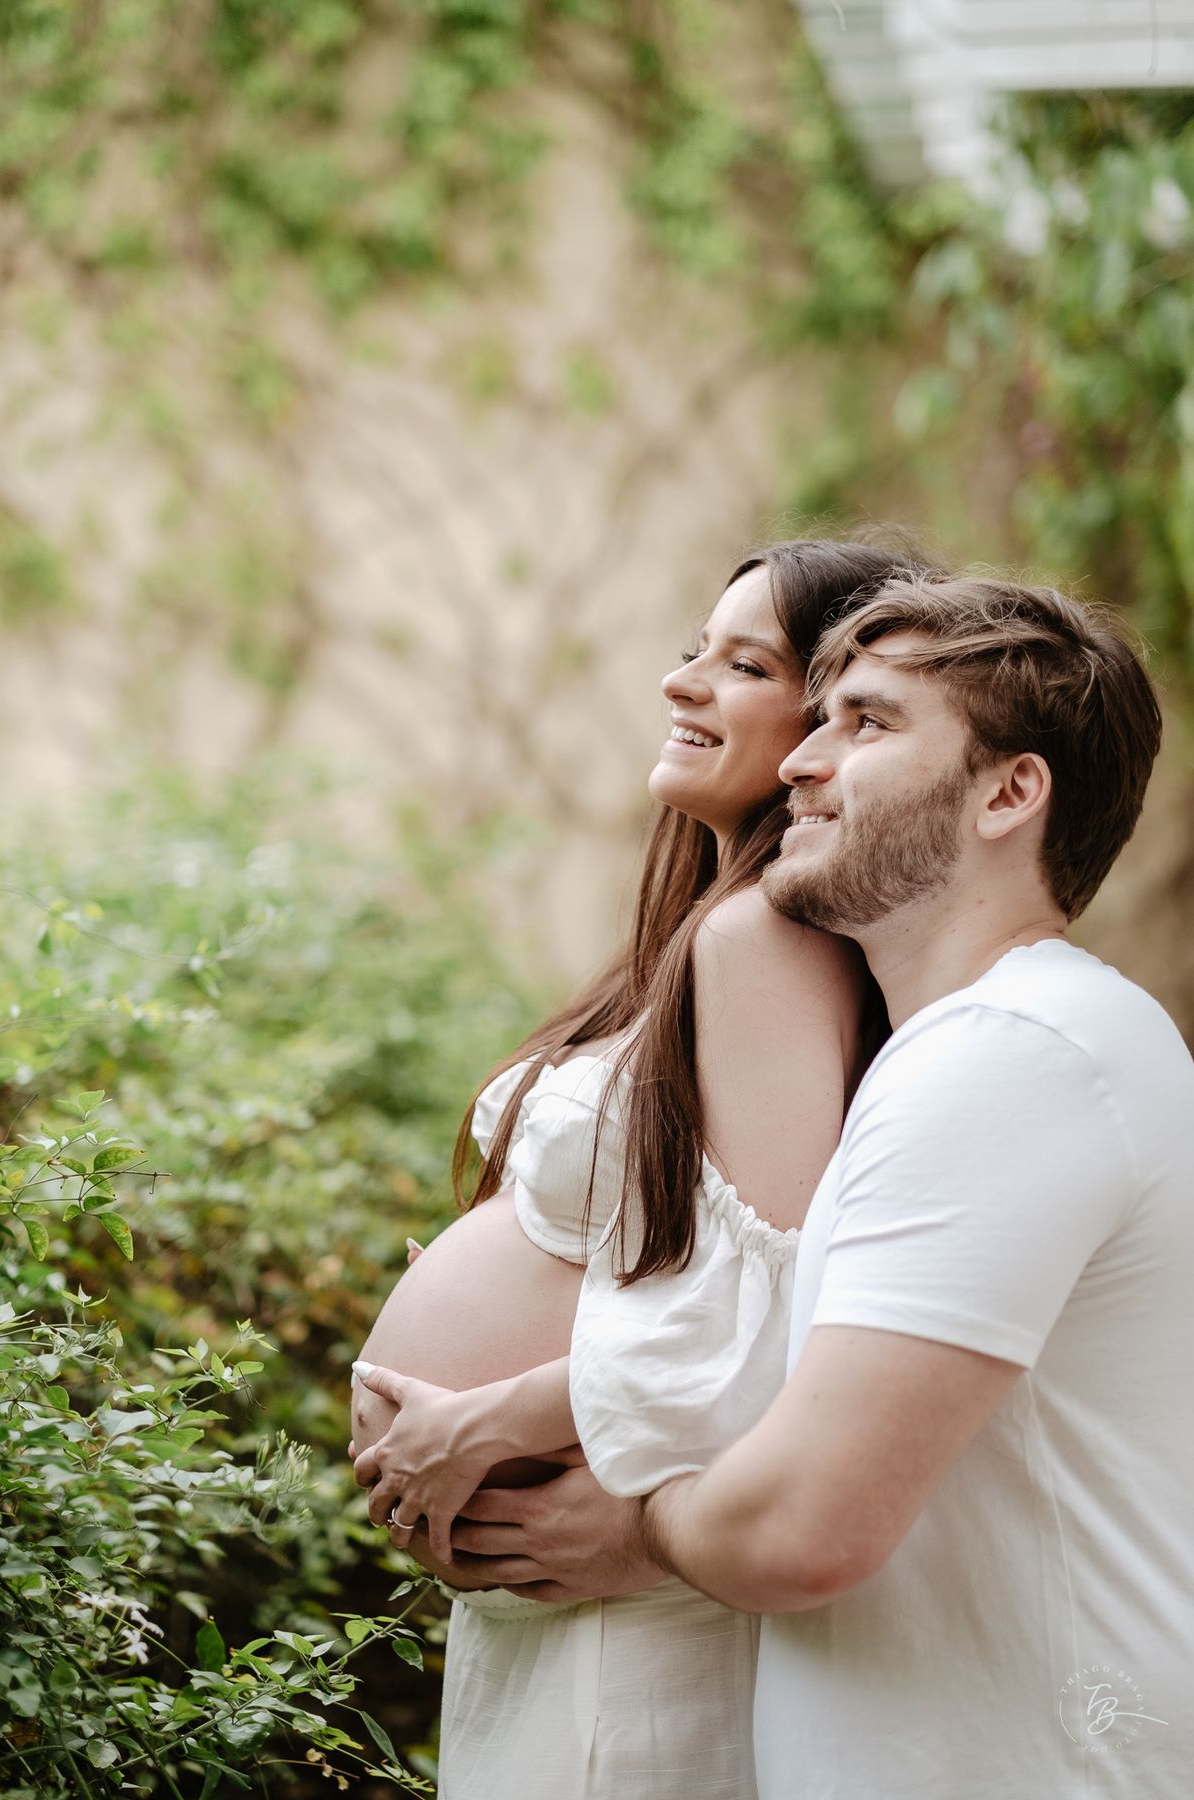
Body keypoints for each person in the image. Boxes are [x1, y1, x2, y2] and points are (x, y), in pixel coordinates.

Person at [449, 575, 1194, 1798]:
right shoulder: (988, 1055)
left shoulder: (1012, 1056)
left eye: (869, 724)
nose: (803, 761)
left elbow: (804, 1529)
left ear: (1012, 792)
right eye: (820, 717)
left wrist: (626, 1527)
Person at [349, 539, 934, 1799]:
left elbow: (785, 1305)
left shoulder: (766, 933)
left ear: (831, 722)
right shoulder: (714, 928)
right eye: (692, 652)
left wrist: (485, 1418)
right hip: (570, 1621)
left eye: (743, 663)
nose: (683, 684)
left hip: (635, 1643)